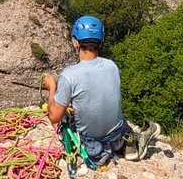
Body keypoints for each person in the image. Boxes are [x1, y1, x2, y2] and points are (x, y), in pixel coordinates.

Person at [43, 16, 158, 166]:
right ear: (101, 42)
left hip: (92, 146)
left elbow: (54, 117)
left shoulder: (69, 75)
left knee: (61, 116)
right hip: (117, 138)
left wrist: (52, 88)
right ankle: (130, 143)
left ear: (76, 42)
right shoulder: (112, 66)